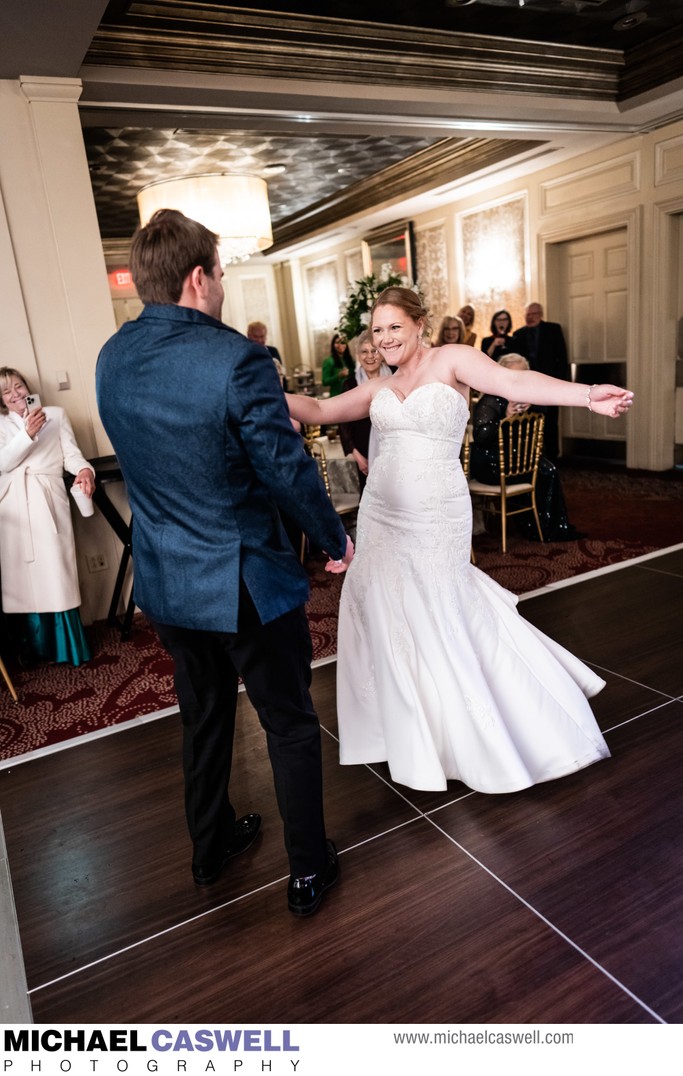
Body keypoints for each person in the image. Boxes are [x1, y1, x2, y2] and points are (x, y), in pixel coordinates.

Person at [96, 209, 353, 917]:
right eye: (220, 272)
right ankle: (307, 871)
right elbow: (285, 469)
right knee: (289, 722)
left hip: (168, 583)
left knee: (203, 717)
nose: (221, 286)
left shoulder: (111, 357)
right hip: (242, 582)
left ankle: (210, 849)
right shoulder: (234, 358)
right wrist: (333, 538)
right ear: (198, 276)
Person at [286, 286, 633, 794]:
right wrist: (253, 391)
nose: (384, 339)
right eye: (377, 330)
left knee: (442, 606)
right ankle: (411, 731)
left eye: (394, 327)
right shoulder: (380, 386)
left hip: (436, 512)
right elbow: (316, 409)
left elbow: (515, 380)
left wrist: (586, 395)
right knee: (386, 611)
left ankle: (480, 735)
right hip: (382, 513)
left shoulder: (452, 360)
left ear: (420, 324)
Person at [0, 367, 94, 667]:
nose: (15, 394)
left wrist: (84, 471)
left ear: (27, 386)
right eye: (6, 391)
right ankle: (30, 650)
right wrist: (27, 434)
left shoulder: (55, 414)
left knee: (56, 574)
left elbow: (71, 454)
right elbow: (3, 464)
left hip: (47, 500)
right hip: (13, 506)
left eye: (18, 386)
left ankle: (65, 648)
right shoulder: (1, 426)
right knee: (22, 579)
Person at [469, 354, 584, 542]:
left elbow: (545, 411)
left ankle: (550, 527)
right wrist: (505, 417)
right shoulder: (490, 400)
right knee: (543, 472)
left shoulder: (526, 397)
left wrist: (532, 404)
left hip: (517, 460)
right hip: (491, 463)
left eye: (523, 376)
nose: (518, 381)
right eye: (513, 375)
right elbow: (481, 437)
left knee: (549, 470)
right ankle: (536, 527)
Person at [513, 302, 569, 461]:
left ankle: (552, 457)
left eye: (534, 314)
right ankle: (531, 458)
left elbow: (562, 357)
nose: (530, 317)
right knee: (528, 420)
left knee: (551, 421)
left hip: (550, 384)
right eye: (528, 314)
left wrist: (561, 384)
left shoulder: (553, 329)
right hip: (526, 386)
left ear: (541, 314)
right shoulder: (518, 334)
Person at [339, 331, 393, 489]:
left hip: (394, 447)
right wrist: (357, 455)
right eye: (364, 351)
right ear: (358, 355)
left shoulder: (395, 377)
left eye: (375, 350)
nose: (370, 356)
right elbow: (343, 423)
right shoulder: (349, 384)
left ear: (382, 353)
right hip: (363, 450)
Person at [246, 320, 288, 389]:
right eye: (255, 337)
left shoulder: (273, 351)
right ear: (248, 336)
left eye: (262, 336)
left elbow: (282, 376)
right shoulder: (243, 353)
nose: (259, 340)